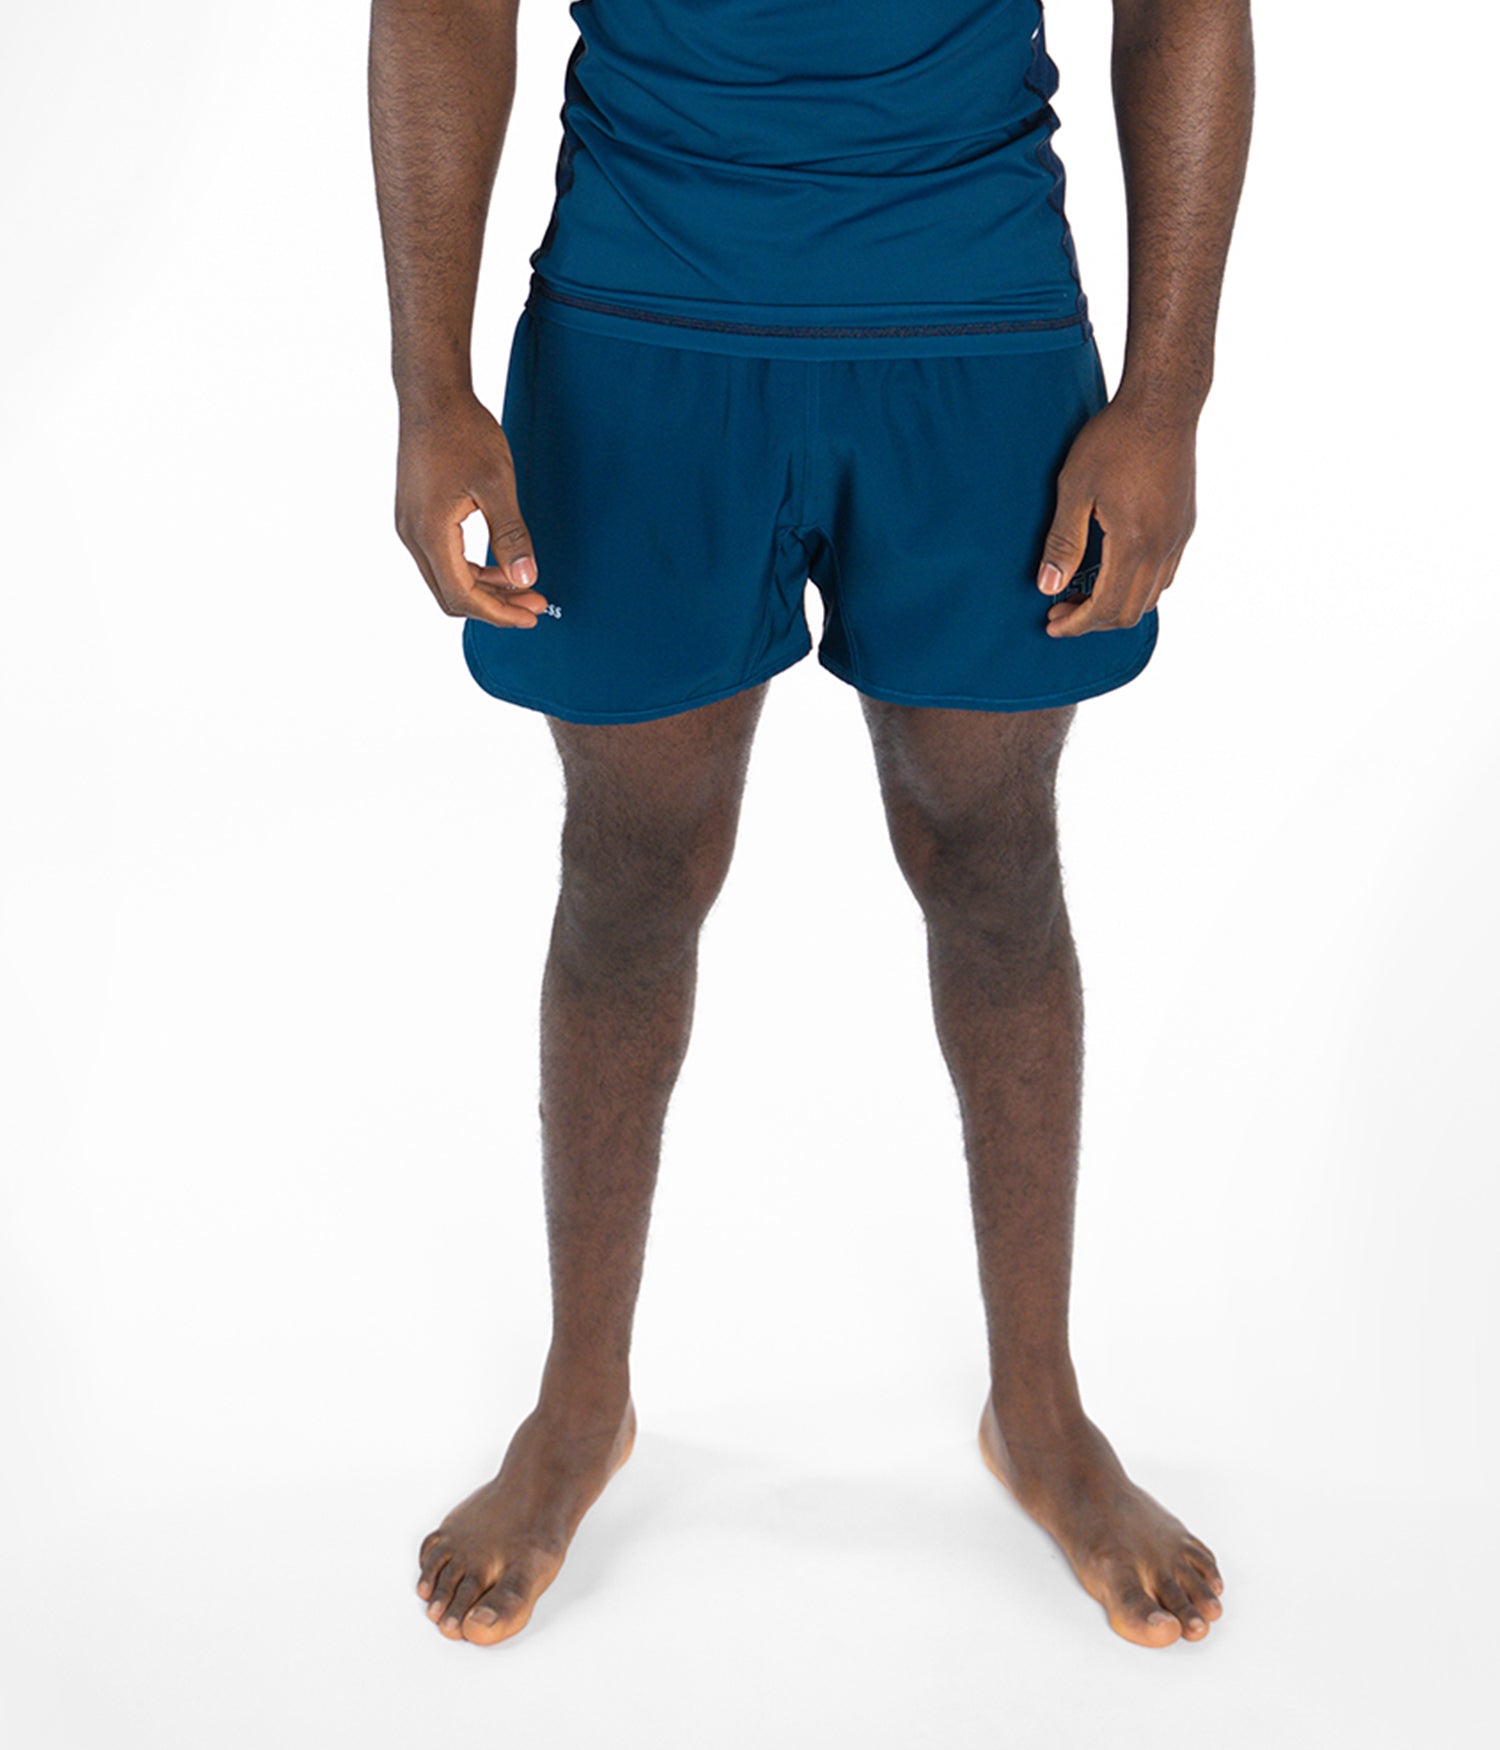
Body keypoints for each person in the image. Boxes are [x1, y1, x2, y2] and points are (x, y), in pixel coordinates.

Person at [369, 0, 1252, 1650]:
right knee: (629, 872)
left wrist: (1168, 395)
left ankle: (1040, 1408)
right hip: (644, 315)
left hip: (976, 313)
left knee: (994, 860)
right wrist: (428, 385)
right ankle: (580, 1403)